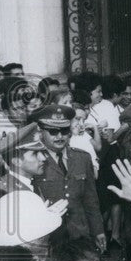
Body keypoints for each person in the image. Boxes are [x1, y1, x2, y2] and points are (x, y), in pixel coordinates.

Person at [30, 105, 105, 249]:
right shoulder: (35, 162)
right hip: (50, 238)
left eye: (64, 131)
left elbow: (91, 200)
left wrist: (98, 230)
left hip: (80, 234)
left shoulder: (82, 158)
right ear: (41, 133)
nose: (59, 137)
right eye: (53, 132)